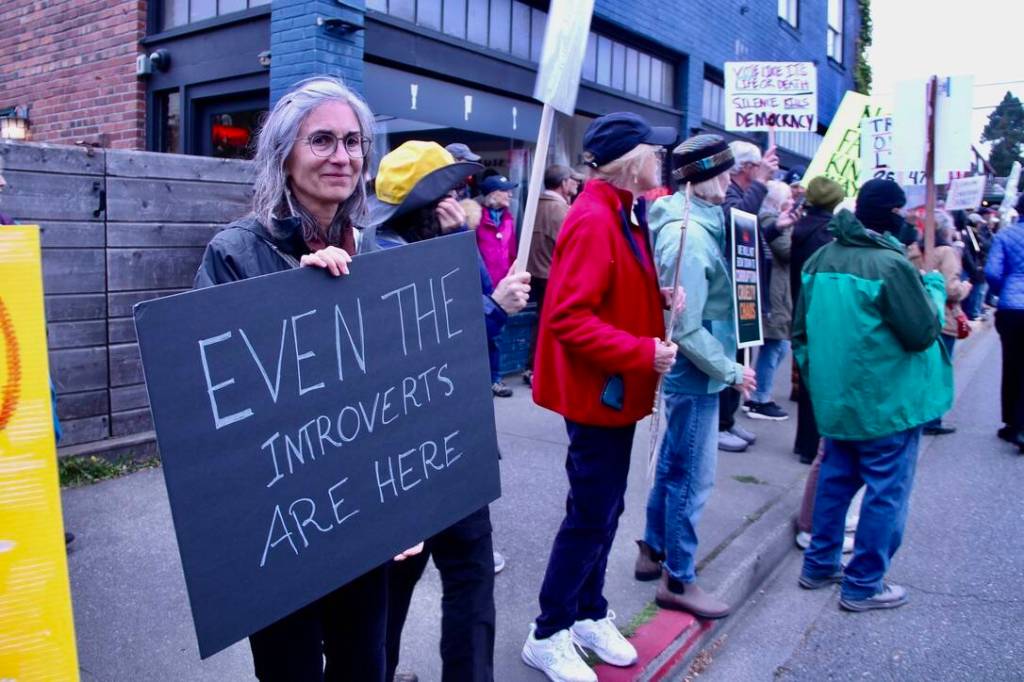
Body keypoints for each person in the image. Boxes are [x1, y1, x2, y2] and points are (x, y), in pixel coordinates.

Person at [193, 77, 422, 682]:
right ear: (284, 154)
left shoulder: (379, 252)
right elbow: (208, 390)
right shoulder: (236, 253)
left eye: (353, 141)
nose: (342, 156)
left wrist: (410, 502)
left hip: (361, 514)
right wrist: (296, 297)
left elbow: (401, 391)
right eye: (321, 140)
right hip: (279, 526)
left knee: (362, 665)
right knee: (290, 670)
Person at [361, 140, 531, 682]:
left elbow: (477, 325)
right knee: (394, 589)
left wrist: (466, 250)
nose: (461, 201)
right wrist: (493, 306)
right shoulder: (381, 257)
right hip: (409, 455)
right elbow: (435, 342)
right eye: (450, 193)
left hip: (461, 442)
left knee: (471, 577)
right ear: (424, 203)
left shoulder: (447, 240)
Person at [522, 112, 678, 682]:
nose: (661, 159)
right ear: (631, 160)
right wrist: (642, 353)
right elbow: (568, 316)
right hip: (599, 395)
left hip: (610, 393)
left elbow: (608, 289)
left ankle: (586, 612)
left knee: (604, 509)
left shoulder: (621, 210)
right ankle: (548, 630)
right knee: (591, 514)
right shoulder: (595, 217)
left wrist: (656, 294)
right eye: (654, 152)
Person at [794, 178, 951, 612]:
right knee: (885, 491)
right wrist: (934, 289)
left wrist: (818, 380)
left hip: (839, 398)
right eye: (902, 212)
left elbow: (801, 332)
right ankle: (863, 582)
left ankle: (819, 564)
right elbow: (922, 332)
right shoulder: (891, 265)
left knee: (836, 481)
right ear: (892, 214)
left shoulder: (822, 257)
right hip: (887, 401)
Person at [637, 134, 755, 619]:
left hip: (698, 369)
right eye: (721, 174)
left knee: (674, 465)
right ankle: (678, 578)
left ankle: (653, 550)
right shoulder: (687, 234)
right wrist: (731, 371)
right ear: (699, 178)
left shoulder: (698, 224)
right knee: (692, 477)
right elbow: (684, 327)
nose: (729, 183)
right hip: (698, 371)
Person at [717, 140, 779, 452]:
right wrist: (761, 184)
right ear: (746, 168)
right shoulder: (730, 192)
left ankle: (727, 419)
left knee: (740, 360)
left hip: (745, 293)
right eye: (756, 167)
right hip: (732, 294)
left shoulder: (742, 193)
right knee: (729, 360)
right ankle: (719, 423)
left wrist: (777, 228)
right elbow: (735, 221)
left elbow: (750, 234)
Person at [788, 177, 845, 463]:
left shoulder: (800, 227)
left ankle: (804, 443)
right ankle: (812, 446)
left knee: (808, 378)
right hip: (818, 310)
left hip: (799, 305)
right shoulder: (827, 234)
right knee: (818, 380)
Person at [523, 164, 579, 387]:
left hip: (534, 271)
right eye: (572, 179)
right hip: (551, 274)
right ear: (564, 183)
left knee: (541, 320)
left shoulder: (535, 205)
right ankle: (539, 369)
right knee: (551, 323)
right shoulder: (561, 209)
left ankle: (533, 367)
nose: (575, 183)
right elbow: (571, 247)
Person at [746, 180, 796, 421]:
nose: (793, 202)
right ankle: (759, 397)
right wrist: (789, 229)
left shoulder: (770, 219)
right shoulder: (769, 220)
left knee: (778, 345)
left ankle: (758, 393)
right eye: (788, 198)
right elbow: (787, 251)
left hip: (777, 289)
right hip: (773, 291)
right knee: (775, 344)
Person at [922, 214, 972, 436]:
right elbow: (951, 290)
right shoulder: (947, 252)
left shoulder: (913, 249)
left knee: (921, 368)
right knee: (939, 370)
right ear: (945, 230)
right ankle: (932, 419)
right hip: (942, 317)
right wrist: (965, 288)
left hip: (917, 316)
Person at [985, 194, 1024, 453]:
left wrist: (1003, 290)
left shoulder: (1005, 236)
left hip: (1012, 308)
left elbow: (992, 272)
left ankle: (1013, 423)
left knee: (1013, 365)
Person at [475, 173, 519, 397]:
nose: (510, 194)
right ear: (492, 194)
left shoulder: (509, 219)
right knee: (483, 333)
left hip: (502, 285)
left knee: (497, 336)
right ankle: (481, 378)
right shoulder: (475, 219)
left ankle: (495, 379)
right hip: (481, 286)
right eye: (506, 190)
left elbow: (511, 253)